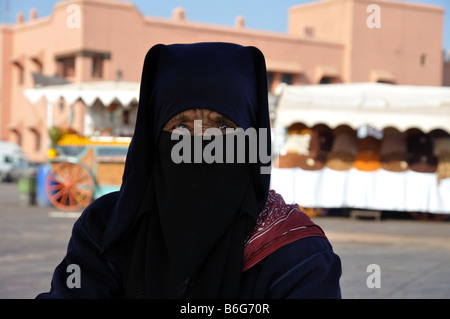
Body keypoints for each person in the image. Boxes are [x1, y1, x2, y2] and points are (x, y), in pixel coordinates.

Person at [37, 42, 341, 299]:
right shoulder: (106, 229)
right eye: (181, 125)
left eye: (222, 126)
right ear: (153, 137)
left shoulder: (296, 254)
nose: (201, 142)